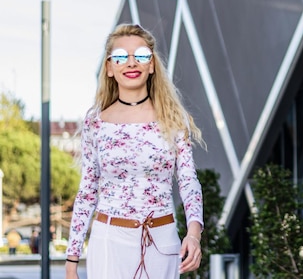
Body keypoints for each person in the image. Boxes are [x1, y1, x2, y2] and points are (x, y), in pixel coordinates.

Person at [65, 24, 205, 279]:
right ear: (109, 68)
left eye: (140, 55)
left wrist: (194, 234)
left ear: (151, 65)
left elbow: (188, 181)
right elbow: (87, 192)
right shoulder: (95, 122)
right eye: (120, 57)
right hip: (109, 242)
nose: (131, 63)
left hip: (162, 242)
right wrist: (71, 261)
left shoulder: (174, 119)